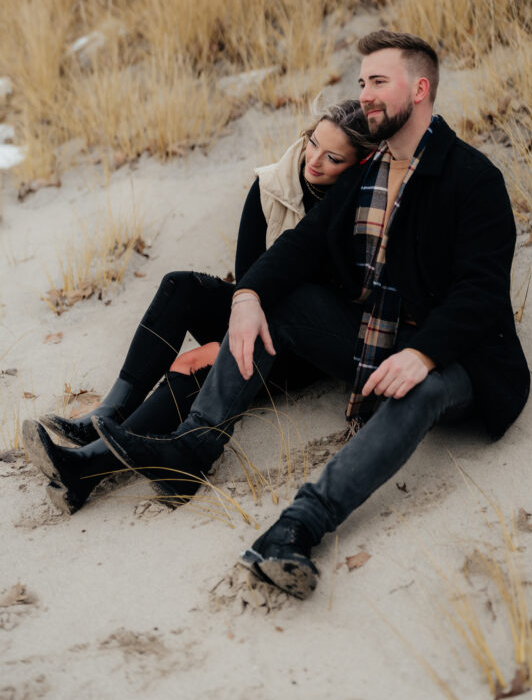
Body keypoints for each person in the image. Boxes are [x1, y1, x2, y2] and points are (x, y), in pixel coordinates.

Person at [94, 30, 530, 599]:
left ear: (420, 89)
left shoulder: (474, 179)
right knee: (281, 296)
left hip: (458, 358)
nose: (366, 94)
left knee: (416, 391)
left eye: (379, 82)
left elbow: (481, 292)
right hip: (374, 346)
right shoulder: (367, 175)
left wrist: (423, 354)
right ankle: (193, 448)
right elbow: (301, 246)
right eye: (362, 83)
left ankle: (297, 527)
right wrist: (247, 297)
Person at [22, 100, 373, 514]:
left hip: (299, 349)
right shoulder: (273, 185)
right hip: (253, 318)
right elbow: (248, 283)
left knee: (194, 366)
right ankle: (109, 414)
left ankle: (86, 467)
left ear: (359, 163)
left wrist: (221, 349)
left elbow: (326, 309)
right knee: (180, 287)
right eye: (312, 143)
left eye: (332, 158)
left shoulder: (360, 212)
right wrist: (227, 338)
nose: (313, 160)